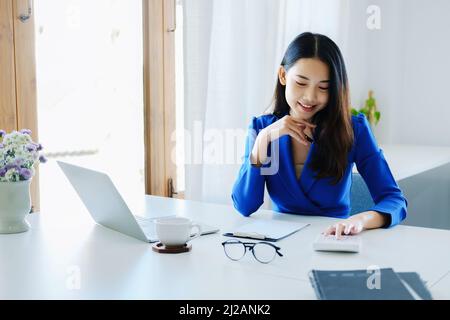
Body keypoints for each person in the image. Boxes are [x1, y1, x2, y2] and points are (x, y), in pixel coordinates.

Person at [231, 32, 407, 238]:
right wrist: (262, 142)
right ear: (283, 76)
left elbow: (394, 201)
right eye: (301, 83)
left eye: (323, 87)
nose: (310, 97)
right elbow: (245, 206)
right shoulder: (262, 129)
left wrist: (360, 219)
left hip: (334, 241)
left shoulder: (354, 129)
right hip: (281, 245)